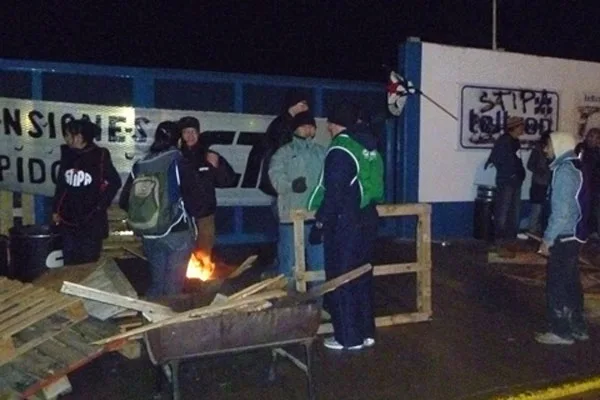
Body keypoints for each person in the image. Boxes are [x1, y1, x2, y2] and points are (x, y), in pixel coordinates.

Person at [307, 102, 384, 351]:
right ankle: (365, 332)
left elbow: (334, 192)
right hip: (368, 219)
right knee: (362, 275)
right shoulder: (369, 146)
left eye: (329, 123)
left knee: (341, 278)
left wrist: (320, 222)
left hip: (345, 223)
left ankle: (347, 338)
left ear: (333, 124)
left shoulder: (341, 149)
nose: (327, 127)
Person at [119, 121, 214, 298]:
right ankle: (169, 323)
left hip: (149, 233)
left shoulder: (140, 164)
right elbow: (195, 201)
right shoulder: (178, 162)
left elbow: (124, 201)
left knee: (157, 285)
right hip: (176, 232)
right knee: (173, 288)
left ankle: (150, 318)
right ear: (178, 141)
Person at [535, 131, 591, 345]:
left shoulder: (564, 171)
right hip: (575, 235)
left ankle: (561, 331)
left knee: (557, 283)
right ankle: (577, 326)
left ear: (558, 145)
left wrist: (547, 239)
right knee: (571, 283)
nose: (545, 149)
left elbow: (561, 212)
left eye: (548, 145)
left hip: (564, 236)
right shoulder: (576, 166)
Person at [52, 119, 122, 265]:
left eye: (68, 134)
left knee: (88, 264)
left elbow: (115, 182)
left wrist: (100, 206)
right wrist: (55, 210)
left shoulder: (100, 155)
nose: (66, 138)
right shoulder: (67, 154)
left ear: (79, 137)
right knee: (70, 263)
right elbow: (61, 185)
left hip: (90, 221)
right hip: (68, 219)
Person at [268, 111, 326, 280]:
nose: (307, 129)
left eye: (311, 126)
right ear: (294, 129)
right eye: (303, 126)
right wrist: (291, 185)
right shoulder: (283, 153)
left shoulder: (322, 153)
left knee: (319, 264)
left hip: (316, 218)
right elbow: (275, 176)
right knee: (289, 265)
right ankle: (289, 301)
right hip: (290, 218)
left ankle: (319, 300)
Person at [178, 116, 236, 261]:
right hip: (181, 215)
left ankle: (201, 281)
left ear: (198, 133)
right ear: (181, 135)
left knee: (204, 252)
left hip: (205, 213)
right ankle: (181, 280)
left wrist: (217, 167)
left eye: (193, 132)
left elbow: (227, 181)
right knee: (182, 252)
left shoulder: (208, 155)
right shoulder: (176, 157)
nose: (190, 136)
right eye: (186, 132)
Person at [485, 116, 526, 258]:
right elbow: (497, 159)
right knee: (502, 212)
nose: (523, 128)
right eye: (521, 126)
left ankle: (509, 240)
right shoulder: (504, 141)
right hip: (507, 182)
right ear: (514, 127)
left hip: (515, 181)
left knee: (513, 212)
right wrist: (510, 174)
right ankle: (499, 241)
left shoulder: (515, 141)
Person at [575, 128, 600, 238]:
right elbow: (577, 164)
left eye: (594, 137)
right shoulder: (581, 148)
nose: (591, 139)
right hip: (581, 185)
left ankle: (593, 233)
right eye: (590, 136)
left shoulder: (598, 152)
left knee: (594, 210)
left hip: (595, 187)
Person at [526, 134, 552, 236]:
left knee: (547, 208)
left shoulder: (555, 152)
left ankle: (542, 229)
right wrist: (539, 170)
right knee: (537, 207)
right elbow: (530, 165)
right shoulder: (537, 150)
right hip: (539, 182)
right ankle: (532, 229)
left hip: (550, 183)